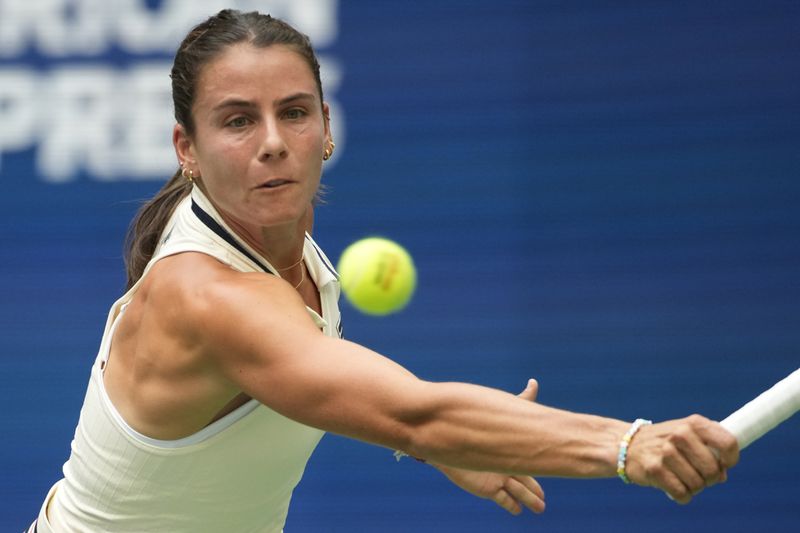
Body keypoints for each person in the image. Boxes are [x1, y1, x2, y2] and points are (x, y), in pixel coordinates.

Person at [28, 9, 739, 533]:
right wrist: (627, 443)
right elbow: (413, 409)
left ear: (327, 128)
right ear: (187, 146)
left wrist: (442, 445)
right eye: (238, 120)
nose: (274, 143)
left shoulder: (281, 246)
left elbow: (340, 389)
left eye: (295, 113)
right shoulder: (205, 294)